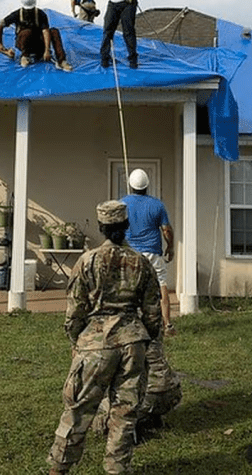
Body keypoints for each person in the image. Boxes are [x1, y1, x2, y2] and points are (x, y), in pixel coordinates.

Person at [47, 201, 162, 475]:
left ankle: (59, 468)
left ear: (101, 228)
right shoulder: (141, 263)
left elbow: (74, 312)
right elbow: (153, 313)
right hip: (132, 344)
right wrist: (147, 338)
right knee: (125, 413)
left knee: (79, 409)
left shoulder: (87, 261)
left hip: (95, 345)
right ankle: (117, 469)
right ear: (126, 227)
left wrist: (78, 342)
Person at [122, 168, 176, 334]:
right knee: (161, 285)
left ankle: (129, 325)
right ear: (147, 185)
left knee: (130, 288)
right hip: (152, 252)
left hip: (131, 253)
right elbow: (166, 230)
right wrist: (170, 247)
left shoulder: (122, 204)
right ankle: (167, 325)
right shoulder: (157, 205)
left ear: (130, 185)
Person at [0, 0, 73, 71]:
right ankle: (25, 56)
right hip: (25, 43)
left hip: (39, 44)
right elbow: (1, 25)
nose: (29, 11)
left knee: (54, 31)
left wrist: (47, 50)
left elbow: (45, 31)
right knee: (27, 31)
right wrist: (0, 43)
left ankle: (61, 61)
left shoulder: (40, 14)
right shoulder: (17, 15)